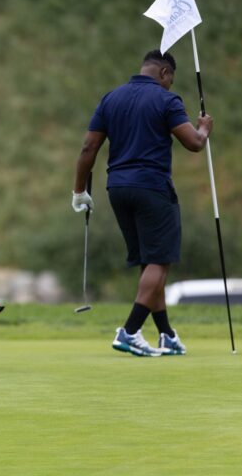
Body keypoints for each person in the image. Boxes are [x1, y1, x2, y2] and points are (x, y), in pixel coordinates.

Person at [72, 49, 213, 357]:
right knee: (160, 260)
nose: (170, 85)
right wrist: (204, 127)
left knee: (149, 260)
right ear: (164, 73)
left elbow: (88, 147)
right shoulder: (167, 100)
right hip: (152, 187)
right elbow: (194, 143)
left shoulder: (112, 98)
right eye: (171, 79)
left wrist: (79, 190)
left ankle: (166, 334)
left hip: (118, 188)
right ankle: (130, 331)